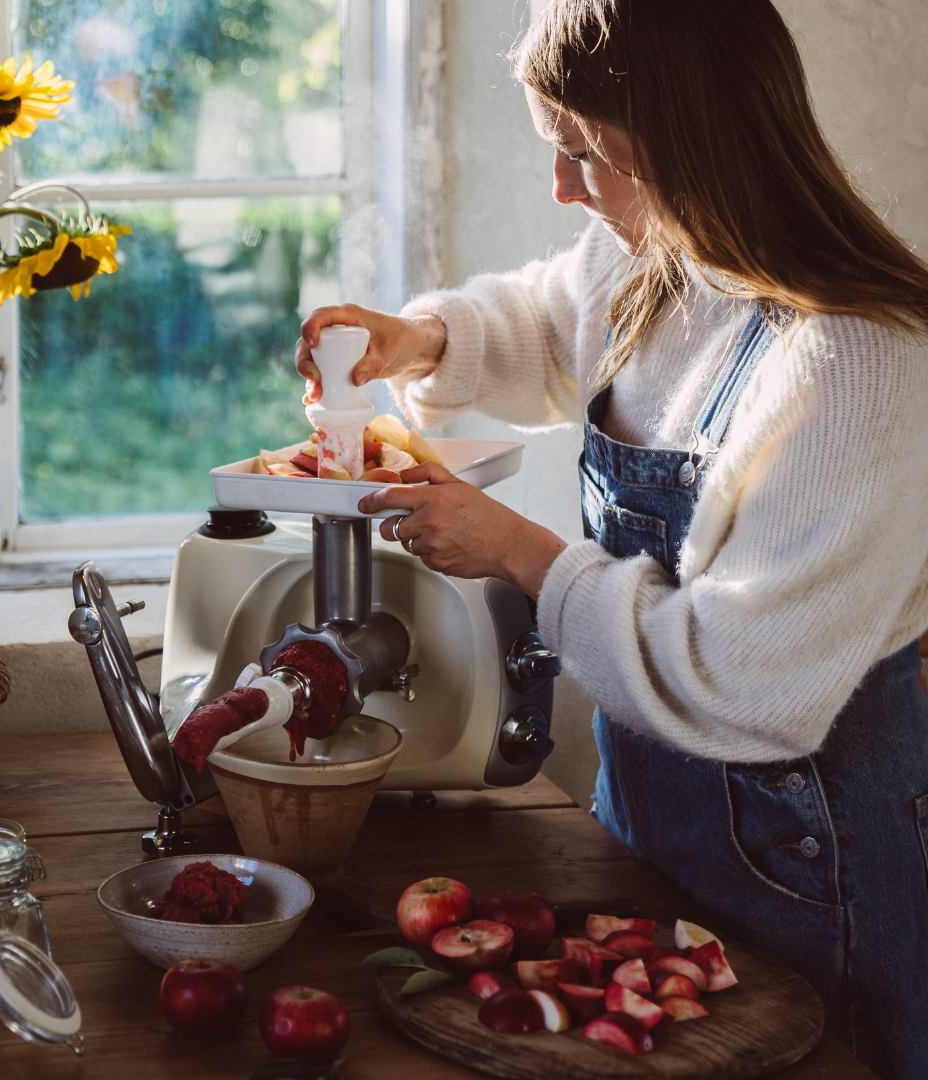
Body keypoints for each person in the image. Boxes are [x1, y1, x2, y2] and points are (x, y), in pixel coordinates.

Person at [295, 1, 928, 1075]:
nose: (565, 191)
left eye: (589, 156)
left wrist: (519, 552)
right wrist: (425, 340)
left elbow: (745, 686)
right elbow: (549, 317)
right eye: (555, 148)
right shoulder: (654, 259)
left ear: (703, 143)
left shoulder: (860, 361)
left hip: (814, 860)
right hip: (642, 814)